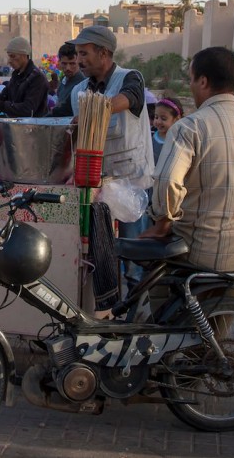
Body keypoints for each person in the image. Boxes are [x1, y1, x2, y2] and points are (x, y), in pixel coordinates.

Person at [142, 47, 234, 271]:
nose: (190, 86)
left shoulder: (189, 128)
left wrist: (161, 224)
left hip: (202, 255)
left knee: (157, 283)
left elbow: (168, 181)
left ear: (203, 81)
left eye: (191, 79)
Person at [69, 25, 154, 290]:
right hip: (97, 187)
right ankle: (107, 312)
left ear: (104, 53)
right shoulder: (78, 91)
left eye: (84, 53)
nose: (79, 59)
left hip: (132, 185)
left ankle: (136, 310)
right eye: (77, 54)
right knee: (102, 256)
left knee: (134, 256)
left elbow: (131, 98)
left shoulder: (131, 77)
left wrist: (97, 108)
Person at [0, 36, 49, 117]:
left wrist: (1, 105)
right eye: (9, 56)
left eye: (13, 56)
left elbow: (28, 109)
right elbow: (2, 98)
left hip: (34, 128)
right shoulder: (16, 77)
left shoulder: (37, 78)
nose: (9, 61)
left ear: (24, 55)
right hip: (16, 127)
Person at [49, 42, 86, 117]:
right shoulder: (63, 81)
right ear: (59, 62)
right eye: (64, 64)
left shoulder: (83, 84)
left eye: (72, 64)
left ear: (78, 62)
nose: (68, 68)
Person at [151, 97, 183, 163]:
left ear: (176, 120)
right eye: (156, 117)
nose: (158, 121)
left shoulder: (178, 140)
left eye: (163, 118)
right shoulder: (151, 134)